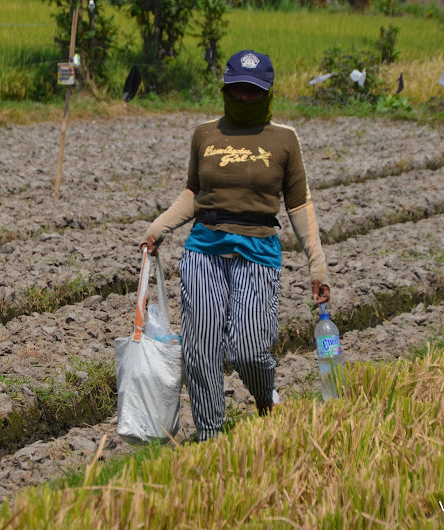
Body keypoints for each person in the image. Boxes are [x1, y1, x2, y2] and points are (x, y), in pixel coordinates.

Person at [140, 49, 330, 442]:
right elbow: (194, 191)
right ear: (226, 89)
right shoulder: (205, 134)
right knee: (201, 348)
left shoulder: (284, 140)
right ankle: (210, 437)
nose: (244, 98)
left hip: (258, 252)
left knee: (248, 349)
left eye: (253, 92)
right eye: (237, 90)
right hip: (204, 250)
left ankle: (265, 397)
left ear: (268, 92)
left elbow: (299, 204)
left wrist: (317, 264)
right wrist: (159, 226)